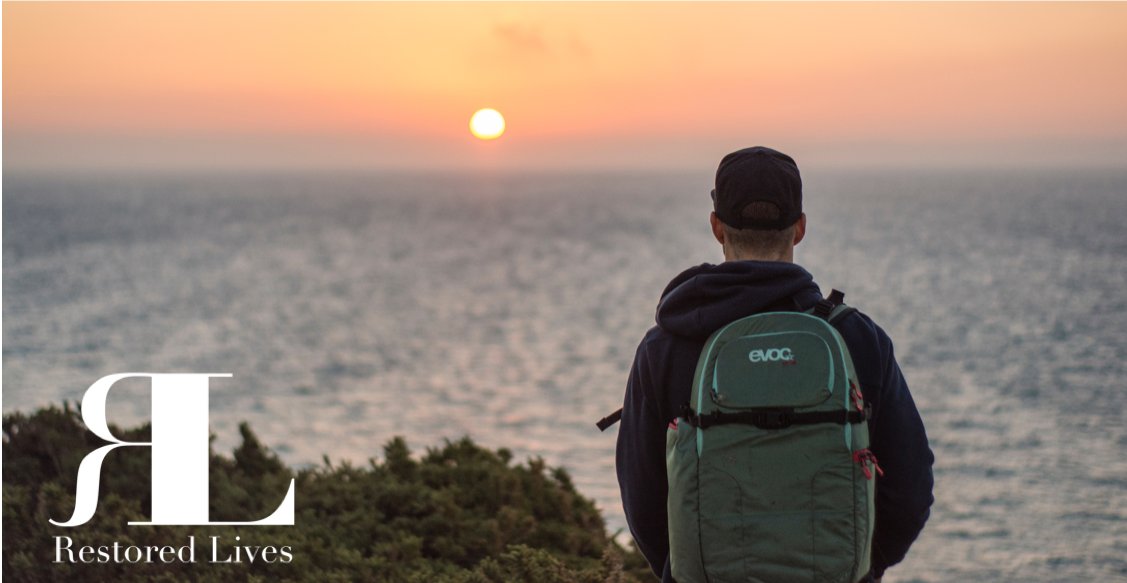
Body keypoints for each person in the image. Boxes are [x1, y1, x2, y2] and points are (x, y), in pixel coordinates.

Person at [615, 146, 934, 582]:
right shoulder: (857, 338)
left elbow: (642, 499)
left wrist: (685, 569)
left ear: (716, 226)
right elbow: (911, 488)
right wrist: (863, 566)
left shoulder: (665, 348)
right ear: (800, 228)